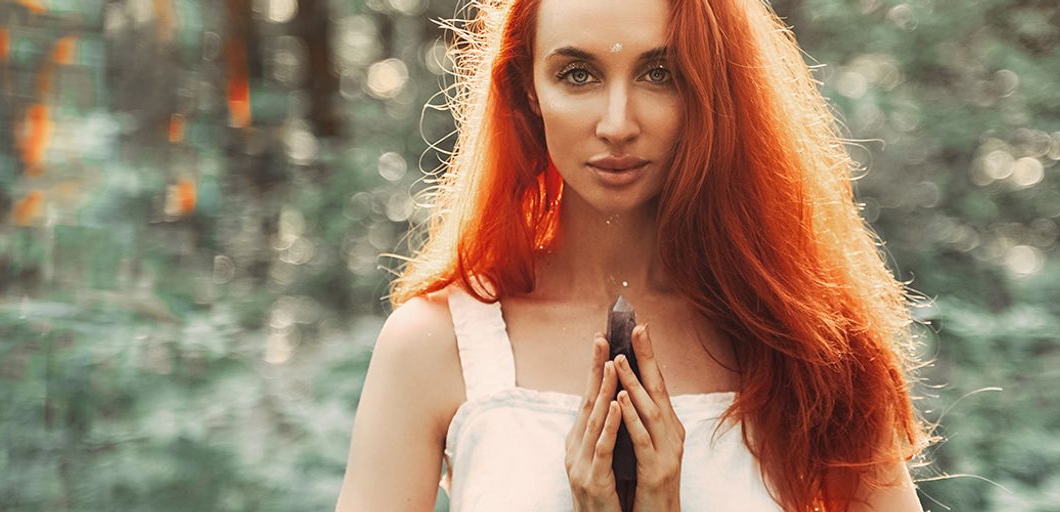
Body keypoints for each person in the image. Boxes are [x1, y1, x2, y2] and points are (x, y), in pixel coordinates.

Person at [334, 0, 933, 509]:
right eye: (576, 74)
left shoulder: (806, 335)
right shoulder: (435, 345)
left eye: (660, 73)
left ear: (713, 88)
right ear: (526, 91)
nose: (617, 124)